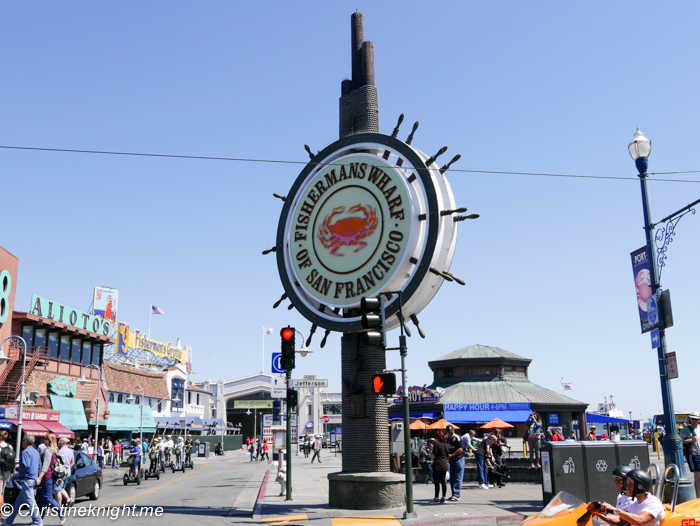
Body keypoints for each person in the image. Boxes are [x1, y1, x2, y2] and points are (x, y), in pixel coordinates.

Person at [596, 469, 664, 526]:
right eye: (627, 485)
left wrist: (616, 510)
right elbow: (620, 520)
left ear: (640, 487)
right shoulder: (634, 503)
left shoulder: (653, 502)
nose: (627, 488)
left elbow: (641, 520)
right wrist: (597, 512)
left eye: (630, 485)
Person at [2, 435, 42, 526]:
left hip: (27, 479)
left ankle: (38, 521)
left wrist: (21, 476)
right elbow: (39, 466)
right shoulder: (36, 452)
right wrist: (38, 477)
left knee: (31, 502)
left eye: (23, 441)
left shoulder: (25, 452)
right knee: (19, 501)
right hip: (33, 478)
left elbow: (26, 465)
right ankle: (9, 520)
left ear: (25, 441)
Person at [38, 433, 66, 524]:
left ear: (49, 440)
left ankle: (61, 512)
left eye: (45, 439)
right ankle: (38, 520)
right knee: (42, 500)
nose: (43, 440)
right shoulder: (55, 450)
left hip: (47, 477)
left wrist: (39, 477)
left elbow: (45, 467)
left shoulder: (48, 451)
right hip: (51, 477)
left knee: (48, 498)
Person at [680, 411, 700, 497]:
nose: (694, 421)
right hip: (693, 454)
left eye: (696, 419)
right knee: (698, 475)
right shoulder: (686, 429)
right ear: (690, 419)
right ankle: (698, 498)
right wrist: (691, 440)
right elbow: (680, 441)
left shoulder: (699, 428)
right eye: (692, 419)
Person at [428, 431, 450, 504]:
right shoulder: (446, 445)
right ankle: (444, 497)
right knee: (443, 481)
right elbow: (447, 455)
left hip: (437, 464)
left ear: (437, 437)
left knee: (437, 482)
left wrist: (430, 453)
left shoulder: (436, 445)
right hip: (444, 464)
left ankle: (436, 498)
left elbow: (434, 455)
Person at [445, 425, 464, 501]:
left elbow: (460, 449)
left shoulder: (457, 438)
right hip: (451, 460)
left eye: (452, 431)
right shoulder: (446, 438)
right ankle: (453, 494)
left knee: (458, 477)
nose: (451, 433)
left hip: (458, 459)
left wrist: (451, 455)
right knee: (452, 478)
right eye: (450, 432)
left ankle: (456, 494)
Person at [57, 438, 75, 507]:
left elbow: (58, 463)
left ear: (62, 443)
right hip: (68, 472)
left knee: (58, 489)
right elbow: (72, 462)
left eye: (59, 442)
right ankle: (67, 500)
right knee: (61, 488)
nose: (58, 444)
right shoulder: (70, 451)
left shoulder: (60, 451)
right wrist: (68, 468)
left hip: (61, 473)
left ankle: (59, 505)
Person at [0, 430, 15, 511]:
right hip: (7, 472)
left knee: (0, 493)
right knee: (2, 491)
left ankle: (0, 512)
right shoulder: (10, 446)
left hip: (0, 472)